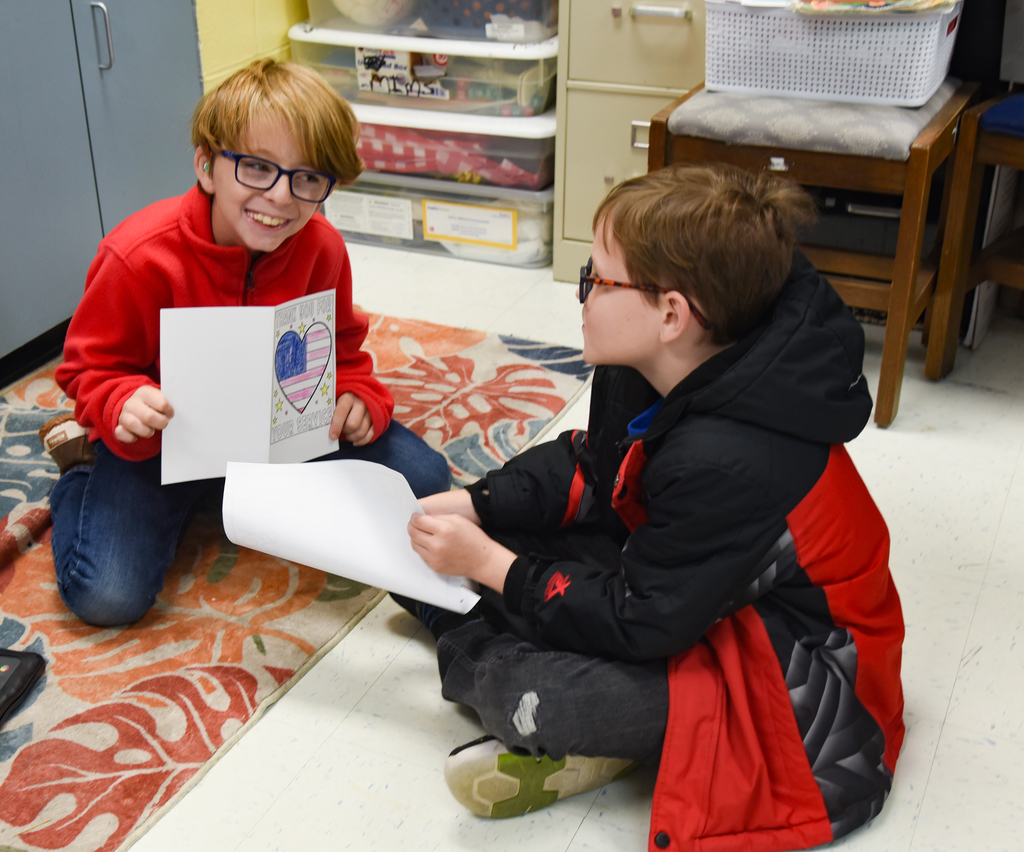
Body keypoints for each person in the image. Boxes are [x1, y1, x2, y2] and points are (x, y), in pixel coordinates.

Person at [399, 164, 905, 852]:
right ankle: (543, 690)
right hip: (694, 589)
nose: (581, 295)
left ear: (671, 313)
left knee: (539, 690)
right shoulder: (651, 361)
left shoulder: (731, 460)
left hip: (791, 672)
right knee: (463, 537)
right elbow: (595, 463)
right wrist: (476, 504)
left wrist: (489, 565)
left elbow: (641, 621)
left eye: (596, 280)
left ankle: (535, 694)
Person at [40, 59, 452, 628]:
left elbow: (344, 350)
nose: (281, 196)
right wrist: (119, 402)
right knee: (106, 596)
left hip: (283, 431)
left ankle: (230, 489)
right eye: (257, 167)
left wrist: (357, 394)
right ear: (206, 166)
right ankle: (78, 476)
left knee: (426, 481)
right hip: (164, 445)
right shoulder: (137, 256)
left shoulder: (322, 249)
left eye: (307, 177)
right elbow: (89, 368)